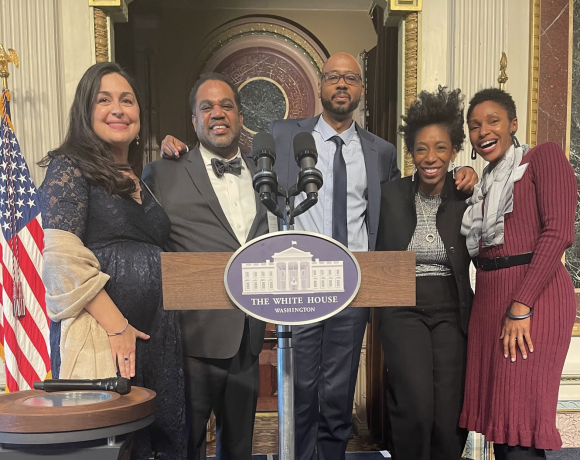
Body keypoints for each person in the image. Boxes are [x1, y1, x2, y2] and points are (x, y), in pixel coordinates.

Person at [160, 53, 478, 460]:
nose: (341, 84)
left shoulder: (380, 152)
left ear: (361, 90)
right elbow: (224, 153)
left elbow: (408, 196)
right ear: (320, 85)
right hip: (299, 286)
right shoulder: (286, 136)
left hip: (353, 287)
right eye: (333, 77)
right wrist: (179, 146)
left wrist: (461, 174)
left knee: (339, 394)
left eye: (351, 78)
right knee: (300, 391)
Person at [39, 62, 186, 459]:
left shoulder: (141, 178)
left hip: (157, 336)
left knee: (158, 440)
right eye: (104, 100)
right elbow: (60, 259)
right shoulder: (69, 167)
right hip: (104, 336)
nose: (118, 109)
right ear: (85, 112)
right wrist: (118, 326)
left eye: (127, 100)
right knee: (112, 445)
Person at [142, 73, 268, 460]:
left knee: (240, 449)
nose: (218, 113)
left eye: (227, 105)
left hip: (248, 338)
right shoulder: (162, 172)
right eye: (207, 107)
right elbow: (148, 252)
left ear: (240, 116)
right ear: (193, 120)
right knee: (185, 446)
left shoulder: (267, 175)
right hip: (189, 340)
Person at [459, 88, 577, 460]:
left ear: (513, 124)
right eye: (474, 126)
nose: (483, 132)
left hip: (532, 298)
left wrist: (521, 305)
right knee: (502, 425)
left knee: (520, 429)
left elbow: (559, 231)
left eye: (492, 121)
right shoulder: (483, 185)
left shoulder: (543, 157)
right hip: (491, 299)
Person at [376, 87, 472, 460]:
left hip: (452, 308)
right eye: (421, 149)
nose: (430, 157)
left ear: (454, 151)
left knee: (448, 415)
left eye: (441, 148)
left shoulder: (467, 194)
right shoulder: (389, 195)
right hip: (402, 307)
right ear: (410, 152)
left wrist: (473, 178)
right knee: (415, 408)